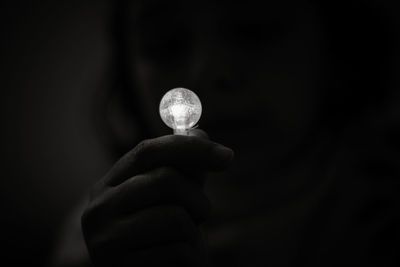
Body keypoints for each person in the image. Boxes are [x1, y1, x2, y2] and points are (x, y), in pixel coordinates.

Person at [51, 0, 400, 266]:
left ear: (336, 45)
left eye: (255, 28)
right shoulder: (100, 234)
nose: (209, 72)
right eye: (164, 43)